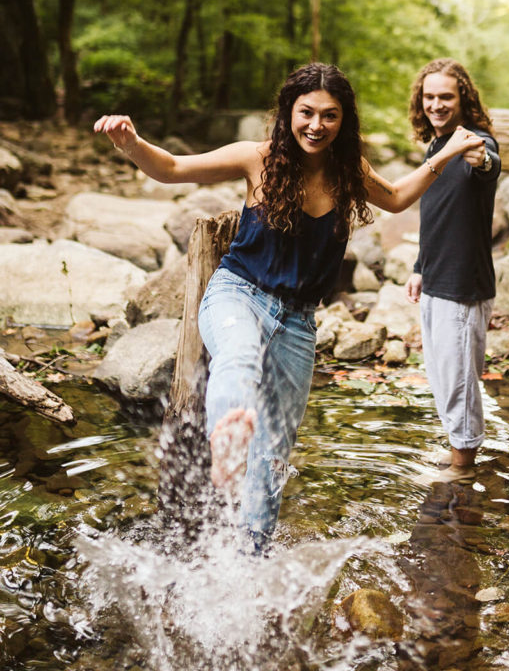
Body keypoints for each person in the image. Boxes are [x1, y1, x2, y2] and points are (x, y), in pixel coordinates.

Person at [94, 62, 482, 547]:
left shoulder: (349, 170)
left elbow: (400, 198)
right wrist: (131, 143)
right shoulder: (256, 158)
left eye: (330, 115)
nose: (316, 125)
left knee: (276, 448)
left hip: (298, 323)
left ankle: (252, 550)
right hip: (238, 294)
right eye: (306, 113)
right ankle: (228, 438)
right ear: (287, 112)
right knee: (237, 357)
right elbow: (172, 169)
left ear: (345, 121)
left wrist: (446, 152)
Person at [405, 58, 501, 472]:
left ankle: (463, 466)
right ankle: (460, 453)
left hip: (464, 284)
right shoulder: (435, 147)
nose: (437, 104)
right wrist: (418, 265)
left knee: (459, 378)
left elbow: (488, 164)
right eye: (430, 97)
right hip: (436, 278)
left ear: (463, 97)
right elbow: (436, 214)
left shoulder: (475, 141)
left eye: (446, 96)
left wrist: (478, 157)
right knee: (444, 372)